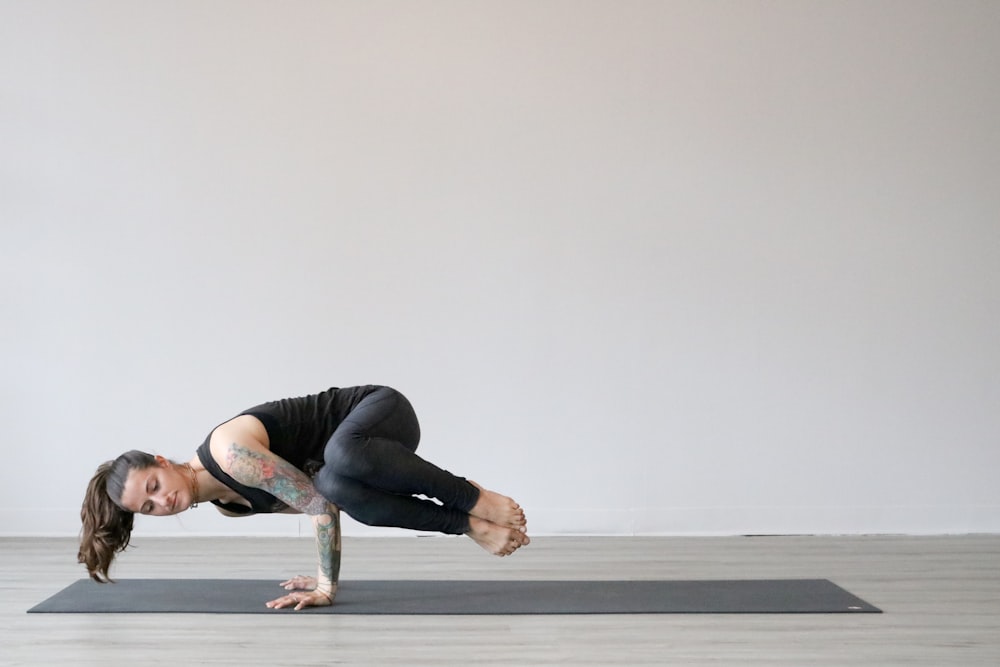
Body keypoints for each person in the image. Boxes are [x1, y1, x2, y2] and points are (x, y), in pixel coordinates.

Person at [78, 385, 530, 610]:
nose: (163, 502)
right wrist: (319, 575)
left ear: (161, 461)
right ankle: (469, 525)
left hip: (379, 414)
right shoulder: (230, 504)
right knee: (336, 485)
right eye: (149, 508)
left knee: (341, 455)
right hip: (360, 464)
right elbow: (323, 504)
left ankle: (471, 498)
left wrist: (326, 586)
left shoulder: (229, 454)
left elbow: (314, 510)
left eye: (154, 487)